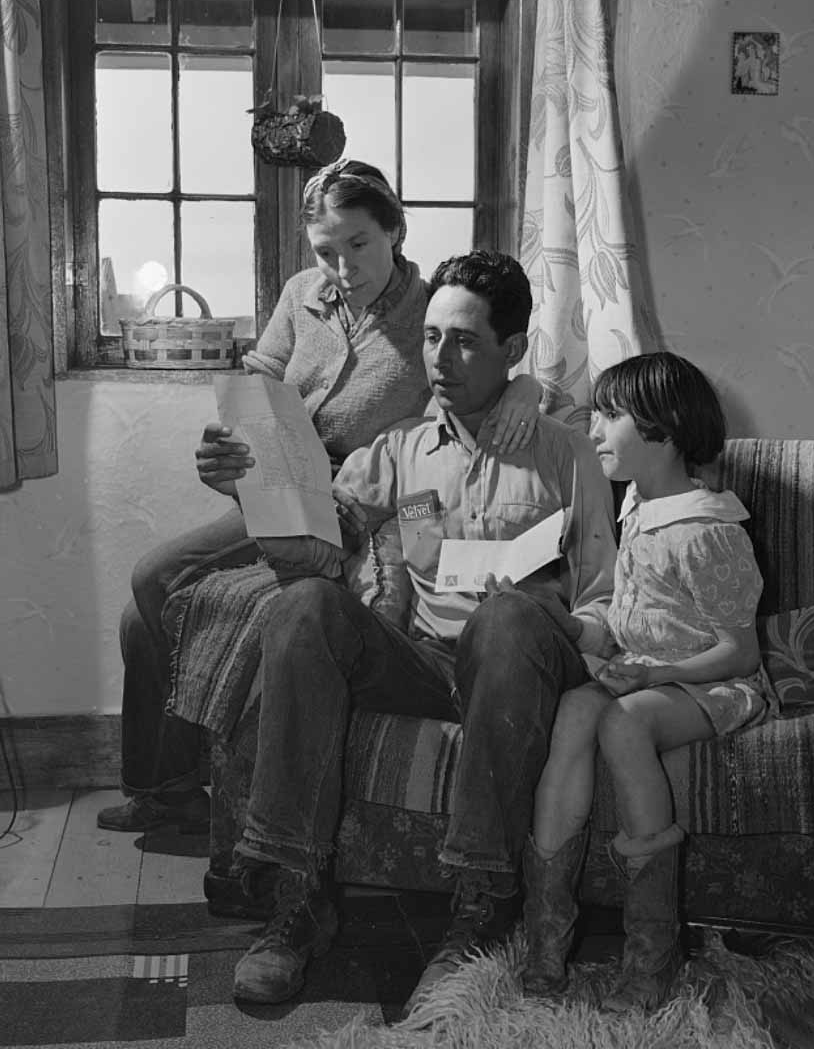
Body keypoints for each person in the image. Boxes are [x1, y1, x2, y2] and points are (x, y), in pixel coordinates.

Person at [203, 250, 618, 1007]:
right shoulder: (398, 451)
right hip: (429, 666)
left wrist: (554, 617)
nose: (439, 358)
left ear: (511, 350)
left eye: (461, 340)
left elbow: (604, 594)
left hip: (525, 671)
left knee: (505, 618)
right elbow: (312, 547)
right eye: (429, 338)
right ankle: (298, 898)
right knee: (301, 606)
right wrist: (247, 486)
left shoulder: (565, 452)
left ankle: (480, 907)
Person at [97, 161, 543, 833]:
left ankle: (218, 799)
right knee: (147, 594)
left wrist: (526, 391)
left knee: (163, 591)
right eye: (325, 252)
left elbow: (492, 366)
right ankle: (167, 791)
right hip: (282, 483)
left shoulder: (432, 311)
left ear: (394, 231)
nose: (342, 266)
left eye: (358, 244)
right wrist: (228, 445)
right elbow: (261, 378)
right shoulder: (302, 293)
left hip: (384, 502)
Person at [521, 352, 772, 1011]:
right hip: (646, 670)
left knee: (622, 723)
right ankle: (545, 937)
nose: (594, 428)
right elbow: (630, 614)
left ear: (662, 427)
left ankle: (651, 957)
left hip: (709, 682)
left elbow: (739, 652)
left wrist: (657, 674)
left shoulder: (705, 529)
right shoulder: (635, 502)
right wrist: (569, 627)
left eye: (610, 416)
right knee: (574, 710)